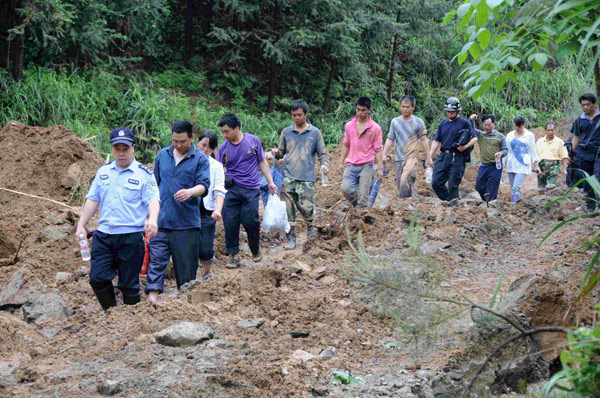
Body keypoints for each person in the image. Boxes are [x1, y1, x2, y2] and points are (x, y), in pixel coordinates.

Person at [76, 127, 159, 311]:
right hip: (104, 235)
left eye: (125, 149)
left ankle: (131, 320)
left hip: (130, 237)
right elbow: (93, 199)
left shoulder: (144, 174)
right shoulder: (103, 172)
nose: (121, 154)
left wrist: (153, 219)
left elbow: (153, 199)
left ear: (133, 148)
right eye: (117, 149)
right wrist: (81, 224)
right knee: (97, 279)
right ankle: (111, 312)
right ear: (112, 149)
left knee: (129, 285)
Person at [146, 120, 210, 304]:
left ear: (191, 138)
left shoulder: (199, 159)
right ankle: (152, 300)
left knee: (186, 269)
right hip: (162, 221)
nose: (178, 145)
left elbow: (204, 186)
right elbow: (154, 187)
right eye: (175, 141)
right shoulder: (163, 155)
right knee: (156, 262)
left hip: (186, 224)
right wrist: (150, 216)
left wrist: (190, 192)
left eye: (182, 141)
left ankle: (186, 304)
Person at [216, 113, 278, 268]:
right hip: (231, 190)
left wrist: (270, 182)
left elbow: (262, 161)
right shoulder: (223, 148)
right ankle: (233, 255)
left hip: (250, 188)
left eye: (227, 131)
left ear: (236, 128)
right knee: (230, 221)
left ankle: (255, 248)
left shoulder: (253, 141)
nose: (224, 135)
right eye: (222, 132)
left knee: (251, 220)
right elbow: (217, 169)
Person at [271, 99, 329, 249]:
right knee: (288, 210)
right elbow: (281, 153)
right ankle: (291, 239)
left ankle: (310, 235)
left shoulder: (315, 133)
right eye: (294, 115)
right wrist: (275, 154)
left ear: (305, 114)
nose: (296, 118)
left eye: (299, 115)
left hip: (307, 178)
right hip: (288, 176)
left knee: (307, 209)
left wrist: (324, 164)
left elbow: (322, 153)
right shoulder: (286, 132)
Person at [428, 97, 477, 202]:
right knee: (436, 183)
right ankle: (451, 201)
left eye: (452, 111)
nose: (450, 113)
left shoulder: (464, 123)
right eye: (448, 111)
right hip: (443, 156)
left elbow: (474, 138)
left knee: (453, 184)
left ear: (457, 111)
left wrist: (464, 147)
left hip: (457, 157)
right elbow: (436, 141)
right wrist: (430, 156)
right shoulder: (443, 124)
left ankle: (453, 207)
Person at [382, 95, 432, 198]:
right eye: (403, 106)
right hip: (398, 157)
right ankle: (407, 204)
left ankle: (405, 202)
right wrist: (384, 153)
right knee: (400, 184)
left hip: (412, 157)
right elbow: (390, 139)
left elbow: (424, 140)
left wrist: (428, 157)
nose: (404, 109)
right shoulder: (395, 122)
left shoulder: (418, 122)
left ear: (413, 107)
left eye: (407, 107)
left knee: (405, 179)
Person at [339, 96, 383, 207]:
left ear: (369, 110)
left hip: (367, 165)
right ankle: (355, 205)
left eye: (363, 110)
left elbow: (378, 149)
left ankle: (362, 216)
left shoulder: (375, 128)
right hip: (351, 164)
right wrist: (341, 162)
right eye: (358, 109)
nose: (360, 112)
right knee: (345, 189)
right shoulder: (349, 126)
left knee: (364, 195)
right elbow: (346, 144)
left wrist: (380, 168)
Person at [197, 129, 227, 280]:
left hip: (207, 209)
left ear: (213, 149)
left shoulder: (216, 166)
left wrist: (218, 209)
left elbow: (219, 189)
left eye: (209, 147)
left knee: (205, 245)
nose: (204, 149)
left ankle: (207, 272)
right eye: (203, 145)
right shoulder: (187, 161)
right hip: (188, 210)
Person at [570, 93, 600, 213]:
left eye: (588, 105)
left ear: (593, 104)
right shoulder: (579, 120)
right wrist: (571, 151)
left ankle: (599, 205)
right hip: (584, 154)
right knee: (587, 180)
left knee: (597, 177)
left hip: (598, 153)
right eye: (583, 105)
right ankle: (590, 207)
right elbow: (576, 136)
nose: (585, 107)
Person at [468, 113, 508, 202]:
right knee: (479, 186)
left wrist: (500, 153)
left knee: (492, 188)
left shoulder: (500, 137)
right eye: (485, 125)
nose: (486, 127)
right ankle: (484, 202)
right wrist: (471, 120)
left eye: (489, 125)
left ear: (493, 124)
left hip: (495, 166)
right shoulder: (481, 135)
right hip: (484, 165)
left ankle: (491, 205)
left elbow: (505, 150)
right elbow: (470, 129)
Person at [505, 116, 541, 202]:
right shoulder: (510, 135)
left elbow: (533, 151)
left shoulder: (529, 136)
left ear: (524, 125)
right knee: (513, 187)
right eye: (516, 126)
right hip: (511, 163)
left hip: (523, 164)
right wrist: (502, 163)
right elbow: (506, 150)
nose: (517, 128)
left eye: (519, 126)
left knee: (516, 187)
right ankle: (520, 201)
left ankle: (514, 203)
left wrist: (536, 165)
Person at [535, 122, 568, 192]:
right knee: (541, 188)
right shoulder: (539, 141)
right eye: (548, 130)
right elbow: (535, 156)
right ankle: (541, 202)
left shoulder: (559, 142)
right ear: (545, 131)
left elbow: (564, 156)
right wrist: (536, 166)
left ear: (555, 130)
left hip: (554, 166)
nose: (550, 132)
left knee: (550, 186)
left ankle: (551, 201)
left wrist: (564, 169)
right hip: (542, 165)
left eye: (552, 130)